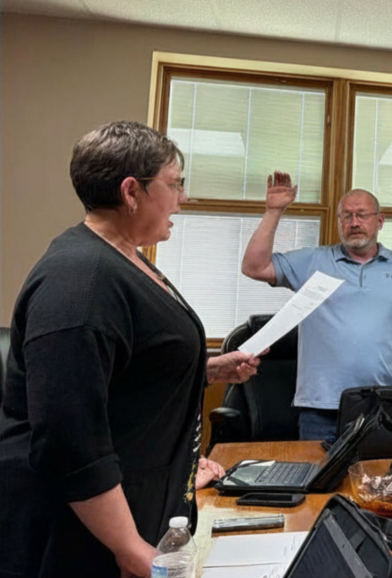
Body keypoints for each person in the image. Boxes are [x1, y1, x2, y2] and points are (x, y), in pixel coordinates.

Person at [0, 121, 262, 577]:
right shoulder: (80, 282)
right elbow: (69, 438)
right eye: (175, 183)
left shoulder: (125, 256)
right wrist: (129, 549)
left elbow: (132, 364)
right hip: (82, 541)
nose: (182, 197)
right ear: (131, 191)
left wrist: (208, 369)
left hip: (141, 513)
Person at [241, 175, 392, 442]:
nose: (354, 223)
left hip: (382, 404)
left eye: (361, 215)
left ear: (379, 221)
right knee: (321, 483)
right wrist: (274, 211)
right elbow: (254, 267)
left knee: (378, 482)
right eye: (346, 216)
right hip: (321, 411)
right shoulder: (313, 261)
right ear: (339, 223)